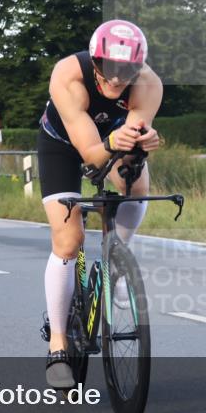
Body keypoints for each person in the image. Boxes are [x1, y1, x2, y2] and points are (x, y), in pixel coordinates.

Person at [38, 20, 162, 388]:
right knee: (68, 240)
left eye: (128, 72)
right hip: (63, 145)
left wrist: (140, 146)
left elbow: (122, 163)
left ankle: (118, 258)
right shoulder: (68, 75)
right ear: (95, 61)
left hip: (113, 140)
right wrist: (112, 144)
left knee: (136, 183)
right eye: (110, 69)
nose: (118, 80)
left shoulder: (148, 84)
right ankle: (59, 345)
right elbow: (92, 155)